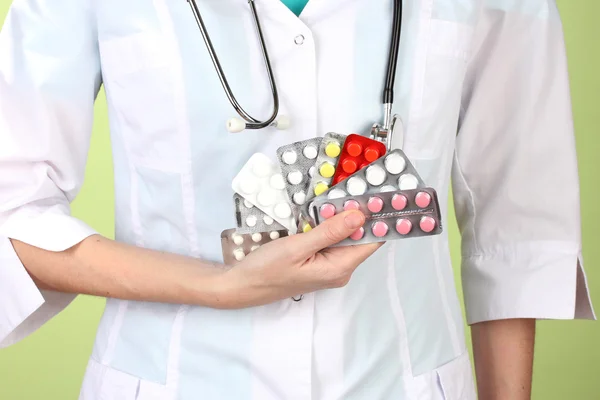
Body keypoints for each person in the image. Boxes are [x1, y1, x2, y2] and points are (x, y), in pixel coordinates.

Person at [0, 0, 594, 399]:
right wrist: (216, 286)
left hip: (403, 381)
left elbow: (515, 230)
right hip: (172, 379)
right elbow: (12, 212)